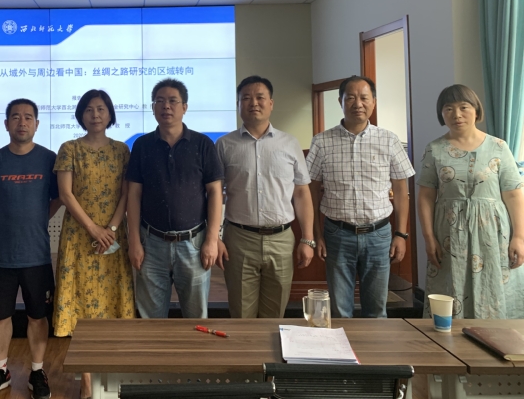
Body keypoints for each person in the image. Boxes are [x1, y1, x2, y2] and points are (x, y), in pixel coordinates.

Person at [306, 75, 415, 318]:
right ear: (340, 101)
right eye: (351, 98)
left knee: (376, 310)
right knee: (339, 310)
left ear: (373, 102)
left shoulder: (389, 140)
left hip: (379, 234)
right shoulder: (322, 142)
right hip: (337, 234)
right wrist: (316, 235)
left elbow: (401, 190)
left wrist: (401, 234)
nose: (358, 104)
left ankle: (374, 345)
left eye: (364, 98)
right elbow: (310, 190)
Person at [0, 99, 61, 399]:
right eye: (15, 117)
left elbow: (57, 199)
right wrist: (9, 222)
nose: (22, 122)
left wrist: (34, 220)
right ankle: (1, 371)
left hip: (36, 255)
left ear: (36, 124)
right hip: (0, 256)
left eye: (28, 117)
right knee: (0, 317)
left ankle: (37, 371)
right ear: (6, 124)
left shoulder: (49, 159)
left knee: (38, 316)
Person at [53, 89, 135, 399]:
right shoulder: (69, 148)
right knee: (81, 307)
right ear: (81, 115)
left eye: (101, 109)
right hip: (79, 237)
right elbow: (65, 194)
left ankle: (110, 373)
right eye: (89, 109)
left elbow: (126, 194)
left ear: (110, 114)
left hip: (113, 238)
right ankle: (86, 380)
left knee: (112, 304)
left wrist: (110, 228)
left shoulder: (122, 150)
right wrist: (94, 229)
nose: (95, 114)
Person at [418, 84, 524, 319]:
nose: (456, 114)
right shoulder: (434, 149)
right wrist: (429, 237)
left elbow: (513, 194)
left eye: (463, 107)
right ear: (441, 114)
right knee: (451, 288)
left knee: (495, 290)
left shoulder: (498, 147)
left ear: (476, 110)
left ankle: (496, 339)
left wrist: (519, 236)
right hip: (449, 236)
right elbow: (426, 196)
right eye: (448, 109)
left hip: (493, 235)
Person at [215, 76, 315, 318]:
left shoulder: (289, 143)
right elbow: (216, 195)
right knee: (241, 315)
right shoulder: (224, 145)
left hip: (281, 240)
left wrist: (308, 239)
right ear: (238, 104)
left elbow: (301, 193)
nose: (254, 103)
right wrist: (215, 237)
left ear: (271, 103)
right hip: (239, 239)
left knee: (274, 315)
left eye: (260, 97)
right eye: (246, 98)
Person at [126, 78, 224, 319]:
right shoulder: (142, 145)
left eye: (172, 101)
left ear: (184, 107)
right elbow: (134, 194)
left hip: (193, 244)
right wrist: (134, 241)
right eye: (159, 101)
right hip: (151, 244)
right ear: (153, 107)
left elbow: (215, 192)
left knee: (195, 317)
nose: (166, 106)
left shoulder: (202, 144)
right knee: (150, 319)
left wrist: (212, 239)